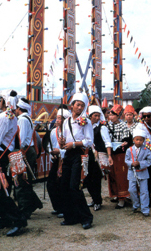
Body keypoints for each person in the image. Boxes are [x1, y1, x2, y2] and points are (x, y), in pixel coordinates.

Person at [0, 90, 27, 237]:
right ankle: (5, 219)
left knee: (2, 190)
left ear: (4, 101)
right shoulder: (12, 117)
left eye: (0, 99)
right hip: (5, 154)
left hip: (1, 155)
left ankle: (18, 220)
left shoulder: (4, 117)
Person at [58, 92, 94, 229]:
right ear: (72, 105)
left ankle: (86, 218)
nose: (79, 108)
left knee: (74, 187)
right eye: (77, 105)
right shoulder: (66, 121)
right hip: (68, 154)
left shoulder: (86, 121)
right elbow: (65, 139)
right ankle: (70, 217)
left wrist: (73, 144)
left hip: (79, 154)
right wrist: (62, 142)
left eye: (82, 106)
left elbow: (89, 141)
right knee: (64, 186)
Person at [14, 98, 43, 219]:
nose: (15, 110)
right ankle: (33, 204)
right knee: (25, 180)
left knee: (22, 181)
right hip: (28, 151)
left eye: (16, 108)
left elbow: (21, 139)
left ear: (19, 109)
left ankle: (25, 209)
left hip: (24, 151)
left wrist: (17, 152)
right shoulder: (27, 119)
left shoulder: (22, 119)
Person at [85, 105, 113, 211]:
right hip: (88, 155)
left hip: (98, 156)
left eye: (98, 116)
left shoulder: (102, 127)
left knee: (96, 179)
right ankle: (94, 198)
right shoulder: (86, 126)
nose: (97, 118)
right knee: (87, 179)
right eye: (95, 116)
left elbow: (107, 142)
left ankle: (97, 201)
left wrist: (109, 155)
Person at [107, 104, 131, 209]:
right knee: (112, 174)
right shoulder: (107, 125)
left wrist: (123, 143)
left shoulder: (123, 126)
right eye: (110, 115)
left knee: (121, 175)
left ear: (118, 116)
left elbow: (127, 139)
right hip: (111, 152)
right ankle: (116, 194)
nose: (110, 117)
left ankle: (122, 198)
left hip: (120, 153)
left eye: (113, 115)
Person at [125, 125, 151, 217]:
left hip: (143, 173)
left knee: (144, 191)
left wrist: (140, 163)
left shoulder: (146, 150)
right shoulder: (129, 150)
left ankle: (145, 209)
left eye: (141, 140)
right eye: (137, 139)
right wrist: (131, 163)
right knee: (131, 190)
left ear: (143, 140)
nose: (139, 141)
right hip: (132, 173)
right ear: (133, 140)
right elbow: (126, 160)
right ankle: (136, 204)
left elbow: (149, 161)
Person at [47, 108, 70, 217]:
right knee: (51, 184)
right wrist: (52, 154)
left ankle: (64, 209)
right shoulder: (53, 131)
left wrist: (60, 152)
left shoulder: (69, 132)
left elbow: (69, 147)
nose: (57, 120)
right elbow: (50, 145)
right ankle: (57, 206)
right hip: (56, 160)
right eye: (57, 117)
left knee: (63, 185)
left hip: (65, 160)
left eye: (60, 118)